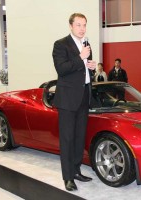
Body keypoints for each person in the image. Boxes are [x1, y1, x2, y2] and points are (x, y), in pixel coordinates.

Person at [52, 13, 96, 191]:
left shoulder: (86, 44)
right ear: (71, 26)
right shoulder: (61, 44)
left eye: (84, 25)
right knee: (67, 139)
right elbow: (61, 69)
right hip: (68, 99)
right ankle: (68, 177)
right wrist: (80, 57)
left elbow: (82, 72)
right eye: (78, 25)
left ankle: (76, 170)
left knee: (79, 138)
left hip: (84, 96)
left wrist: (91, 68)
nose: (82, 28)